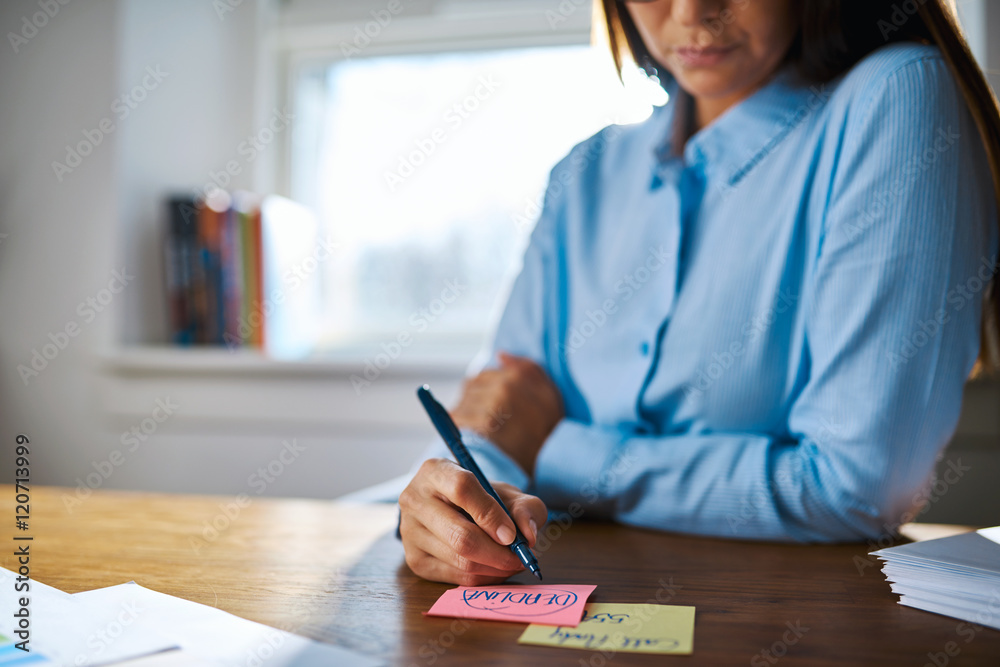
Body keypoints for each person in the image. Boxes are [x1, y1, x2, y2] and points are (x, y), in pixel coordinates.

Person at [398, 0, 1000, 586]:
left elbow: (856, 488)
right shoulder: (584, 172)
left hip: (792, 617)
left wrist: (554, 451)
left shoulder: (896, 98)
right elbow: (495, 419)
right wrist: (451, 501)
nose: (691, 13)